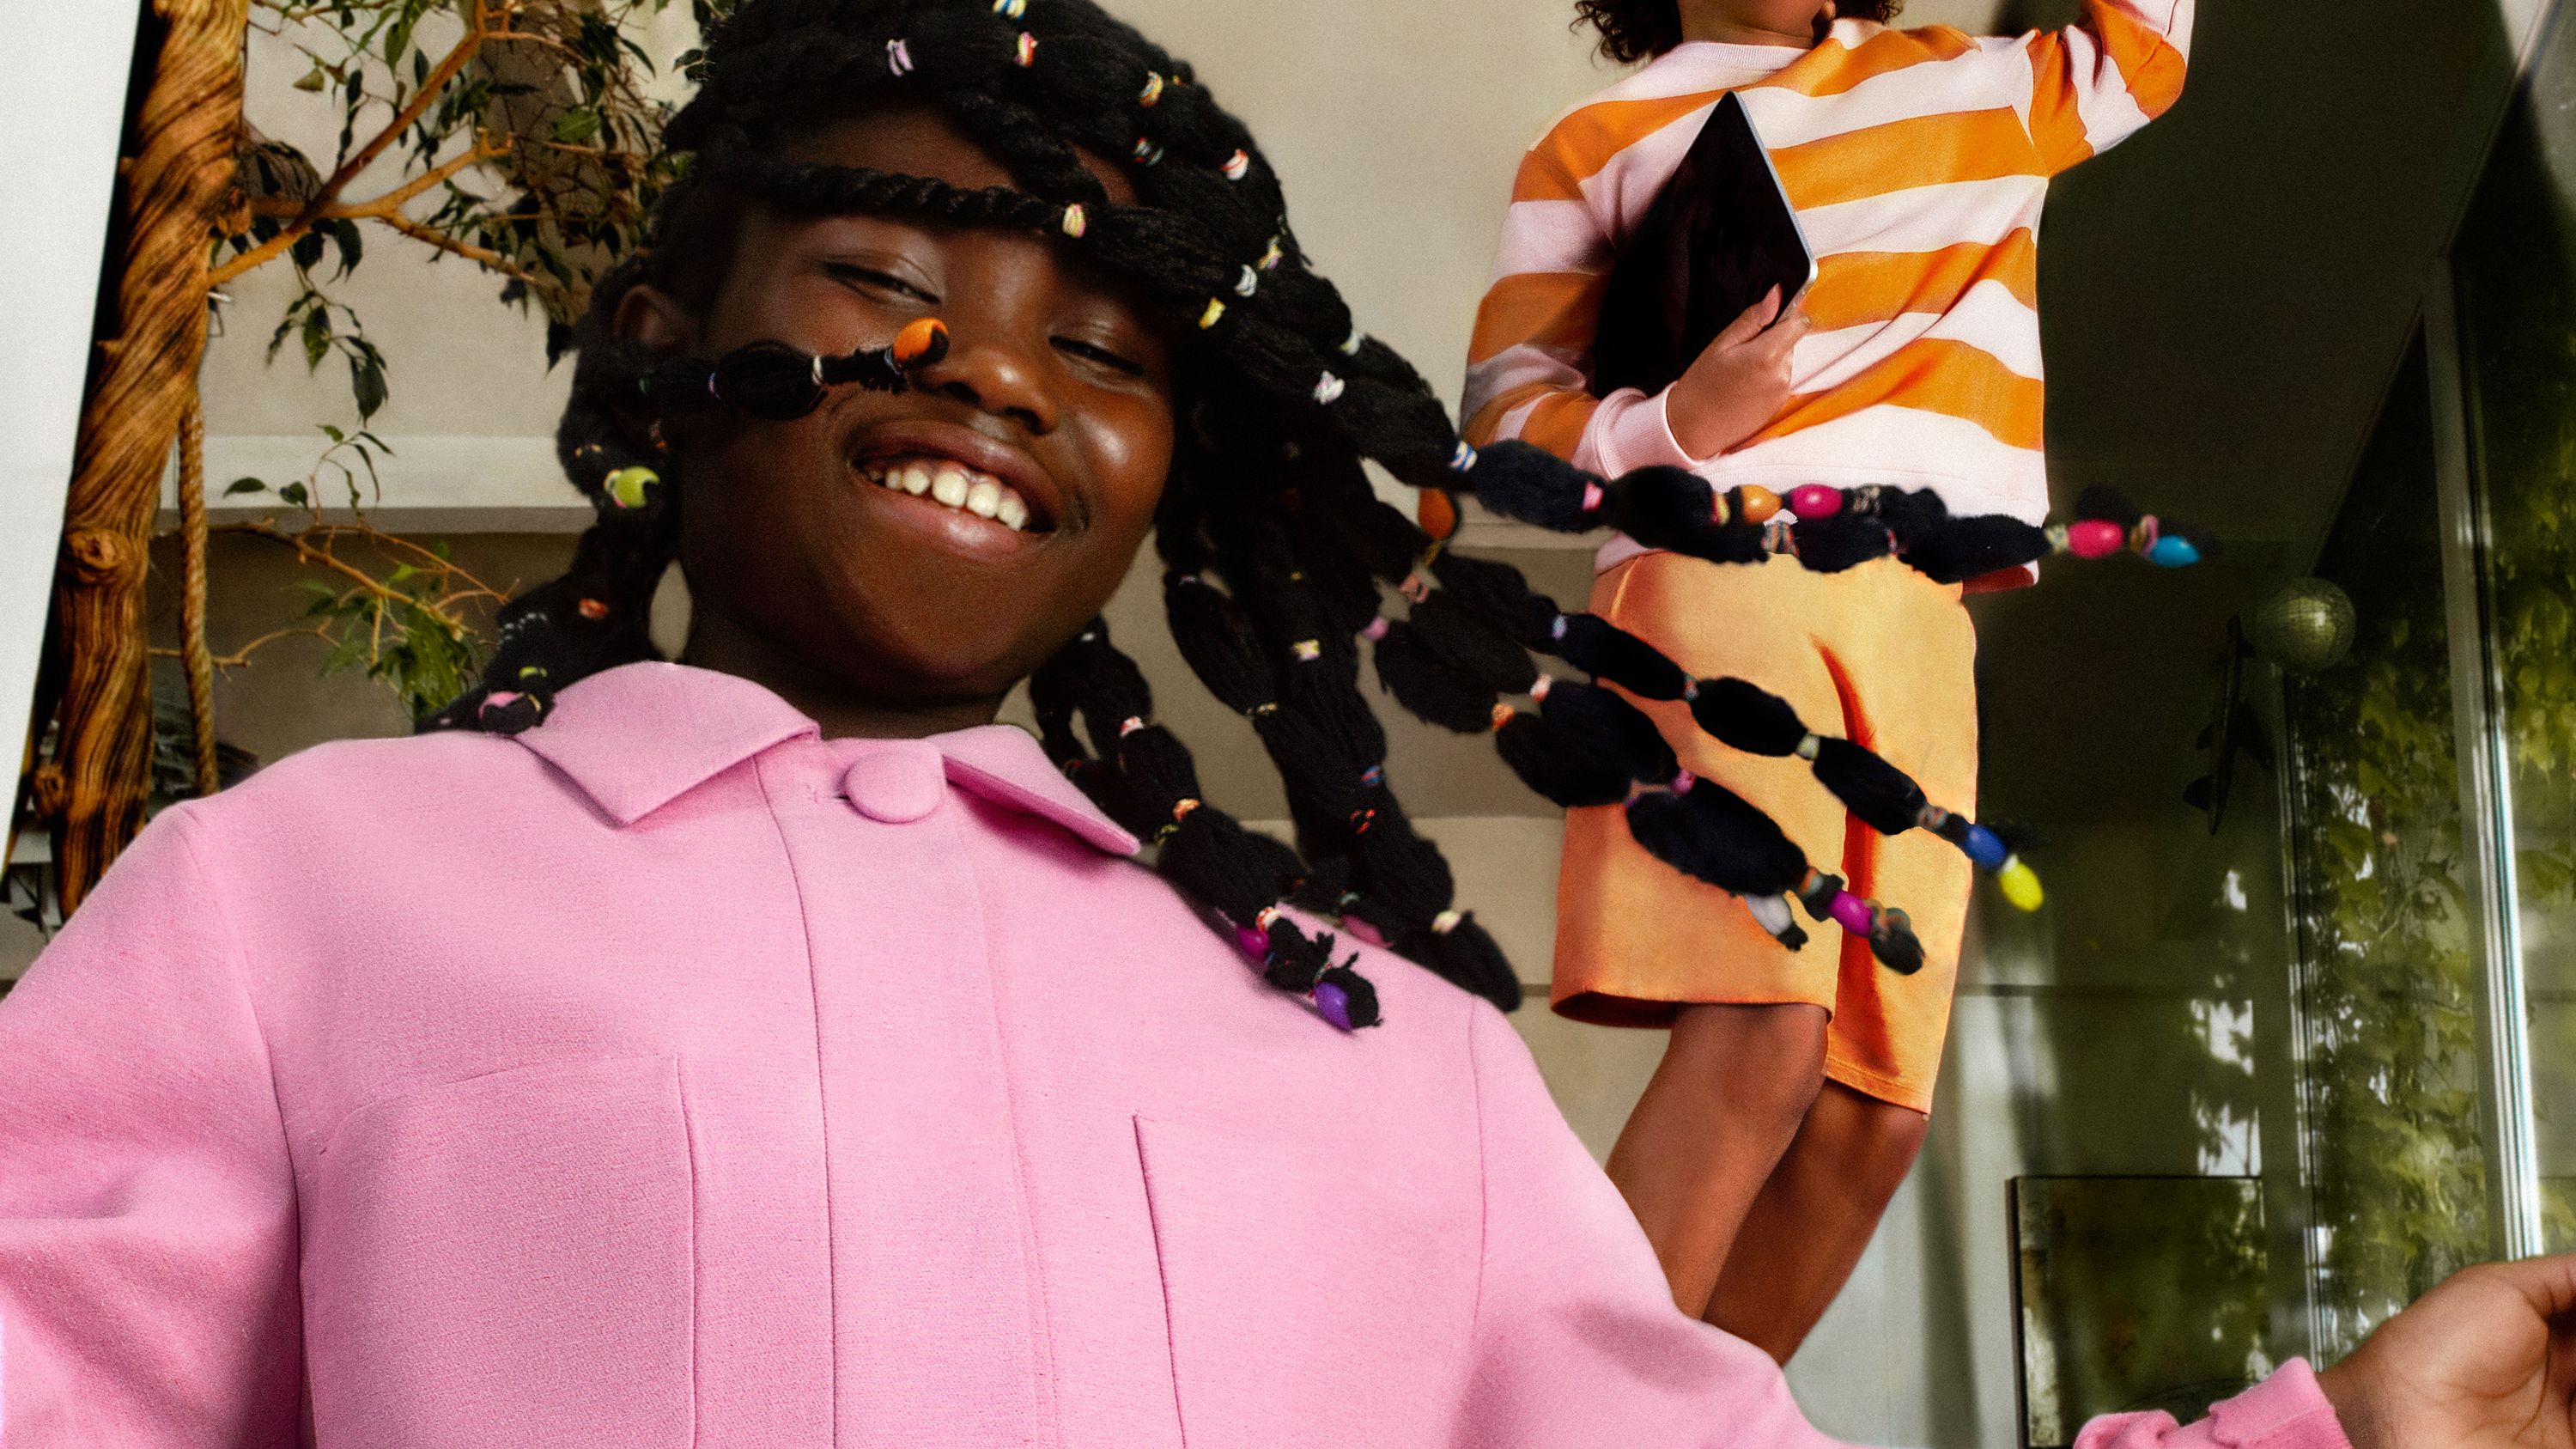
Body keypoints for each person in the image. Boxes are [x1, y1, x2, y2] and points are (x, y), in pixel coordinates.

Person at [0, 0, 2530, 1444]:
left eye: (1098, 350)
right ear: (662, 347)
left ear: (1169, 465)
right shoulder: (291, 903)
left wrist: (2330, 1446)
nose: (990, 382)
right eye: (885, 276)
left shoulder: (1372, 1035)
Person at [1458, 0, 2196, 1360]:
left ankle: (1695, 1432)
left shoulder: (1978, 87)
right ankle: (1563, 1416)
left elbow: (2147, 50)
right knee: (1764, 1033)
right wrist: (1676, 422)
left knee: (1875, 1116)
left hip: (1921, 613)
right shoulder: (1595, 139)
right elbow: (1506, 419)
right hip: (1717, 564)